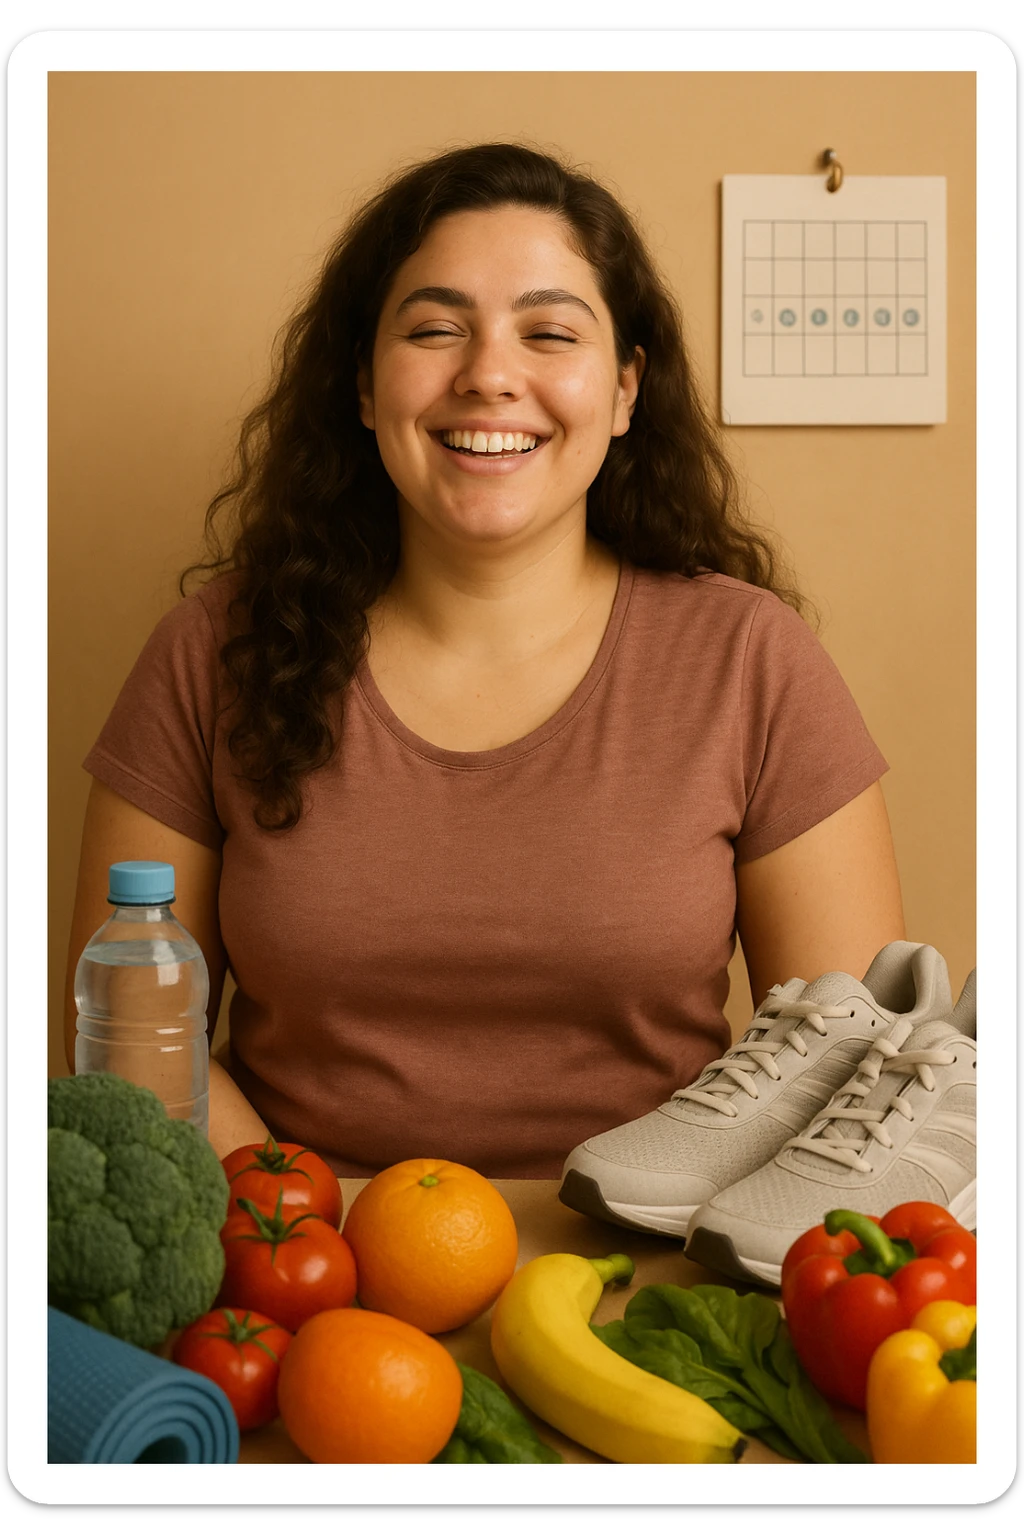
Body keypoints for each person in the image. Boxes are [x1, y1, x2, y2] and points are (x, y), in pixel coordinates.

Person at [62, 142, 906, 1176]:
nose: (490, 376)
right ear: (365, 388)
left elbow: (849, 1078)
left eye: (549, 332)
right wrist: (308, 1238)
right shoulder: (210, 654)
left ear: (627, 389)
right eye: (432, 330)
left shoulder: (752, 662)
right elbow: (128, 1051)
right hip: (292, 1274)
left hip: (654, 1277)